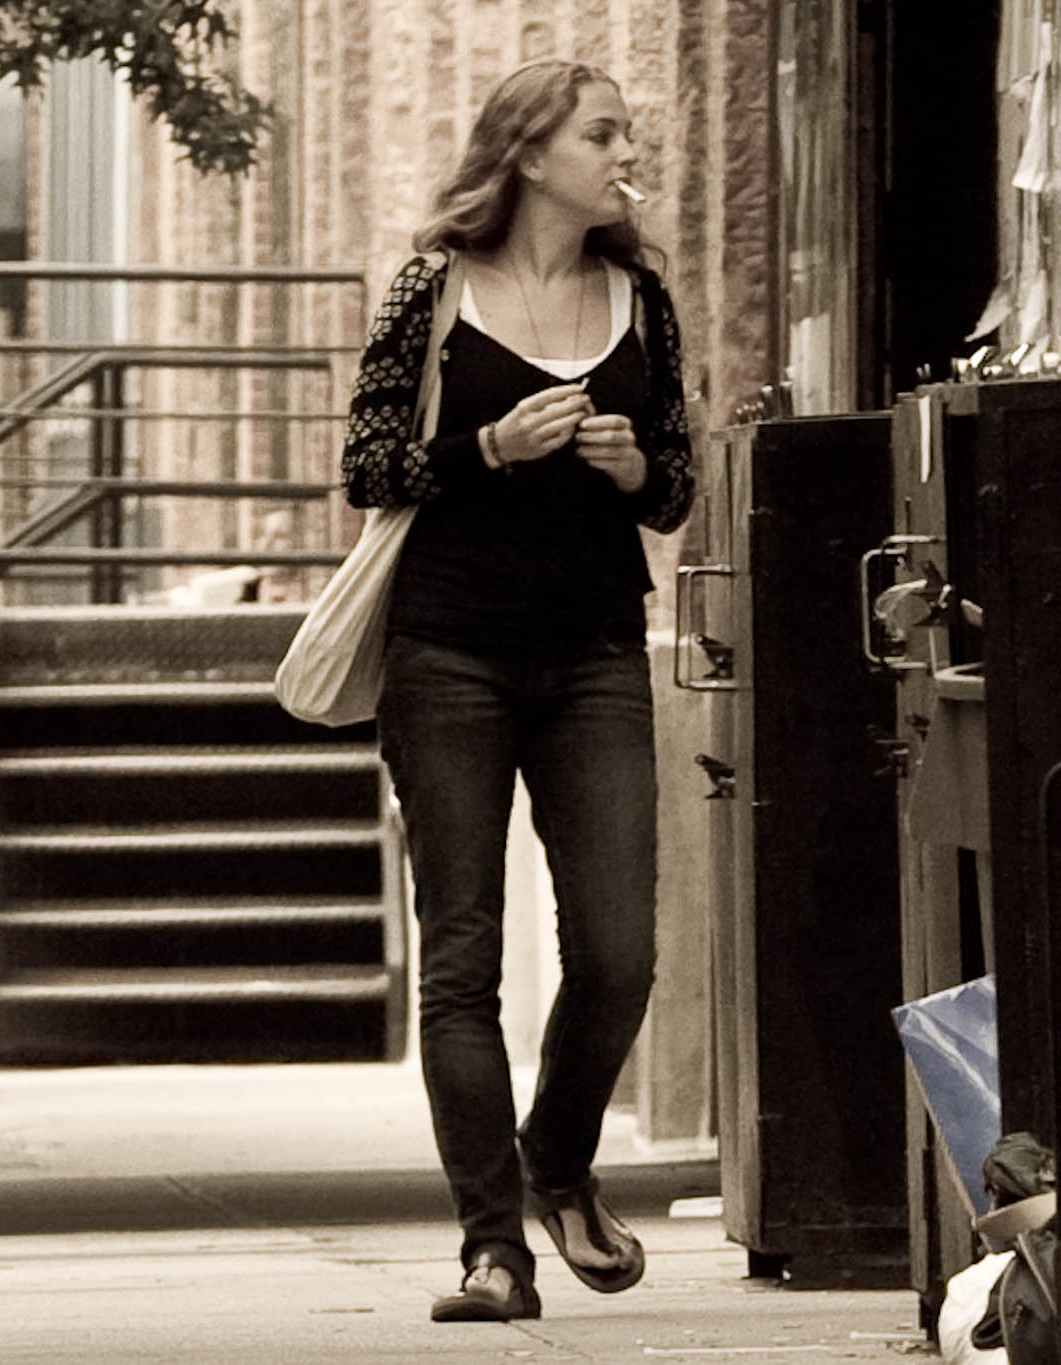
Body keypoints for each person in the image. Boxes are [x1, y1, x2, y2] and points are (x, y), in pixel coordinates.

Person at [339, 60, 695, 1322]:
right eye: (600, 133)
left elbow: (674, 495)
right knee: (462, 958)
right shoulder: (431, 291)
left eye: (621, 135)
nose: (621, 152)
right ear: (530, 153)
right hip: (450, 654)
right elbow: (366, 461)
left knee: (617, 951)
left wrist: (625, 461)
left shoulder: (638, 296)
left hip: (594, 649)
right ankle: (492, 1247)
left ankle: (556, 1154)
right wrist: (487, 445)